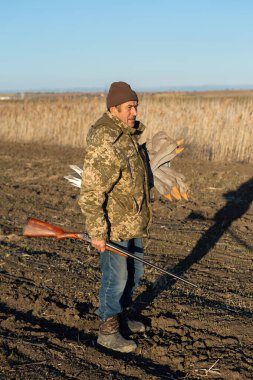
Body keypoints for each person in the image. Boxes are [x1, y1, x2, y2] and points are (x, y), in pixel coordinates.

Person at [78, 81, 152, 353]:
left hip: (132, 221)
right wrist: (97, 232)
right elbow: (92, 191)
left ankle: (122, 316)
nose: (134, 112)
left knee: (136, 271)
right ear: (114, 109)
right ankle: (108, 331)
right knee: (116, 277)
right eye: (129, 107)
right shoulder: (106, 139)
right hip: (114, 226)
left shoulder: (127, 135)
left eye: (135, 106)